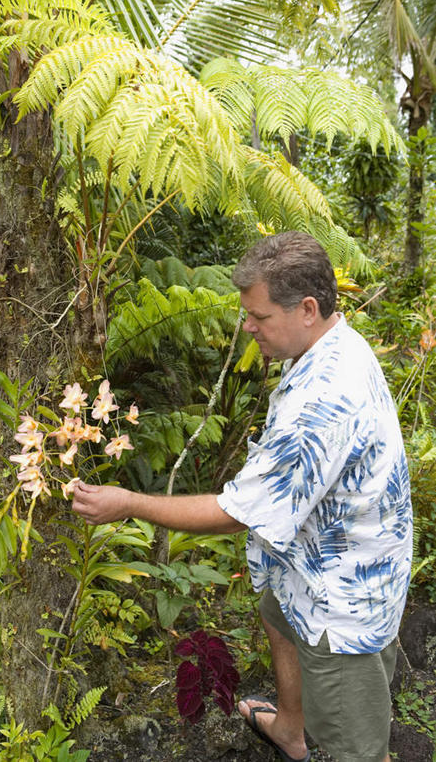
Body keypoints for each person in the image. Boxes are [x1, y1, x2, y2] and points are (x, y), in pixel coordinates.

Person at [72, 231, 413, 762]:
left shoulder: (322, 404)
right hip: (307, 560)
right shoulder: (335, 340)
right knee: (278, 617)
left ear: (306, 308)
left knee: (355, 745)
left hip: (342, 603)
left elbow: (236, 513)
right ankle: (291, 733)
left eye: (259, 317)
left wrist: (129, 503)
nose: (247, 326)